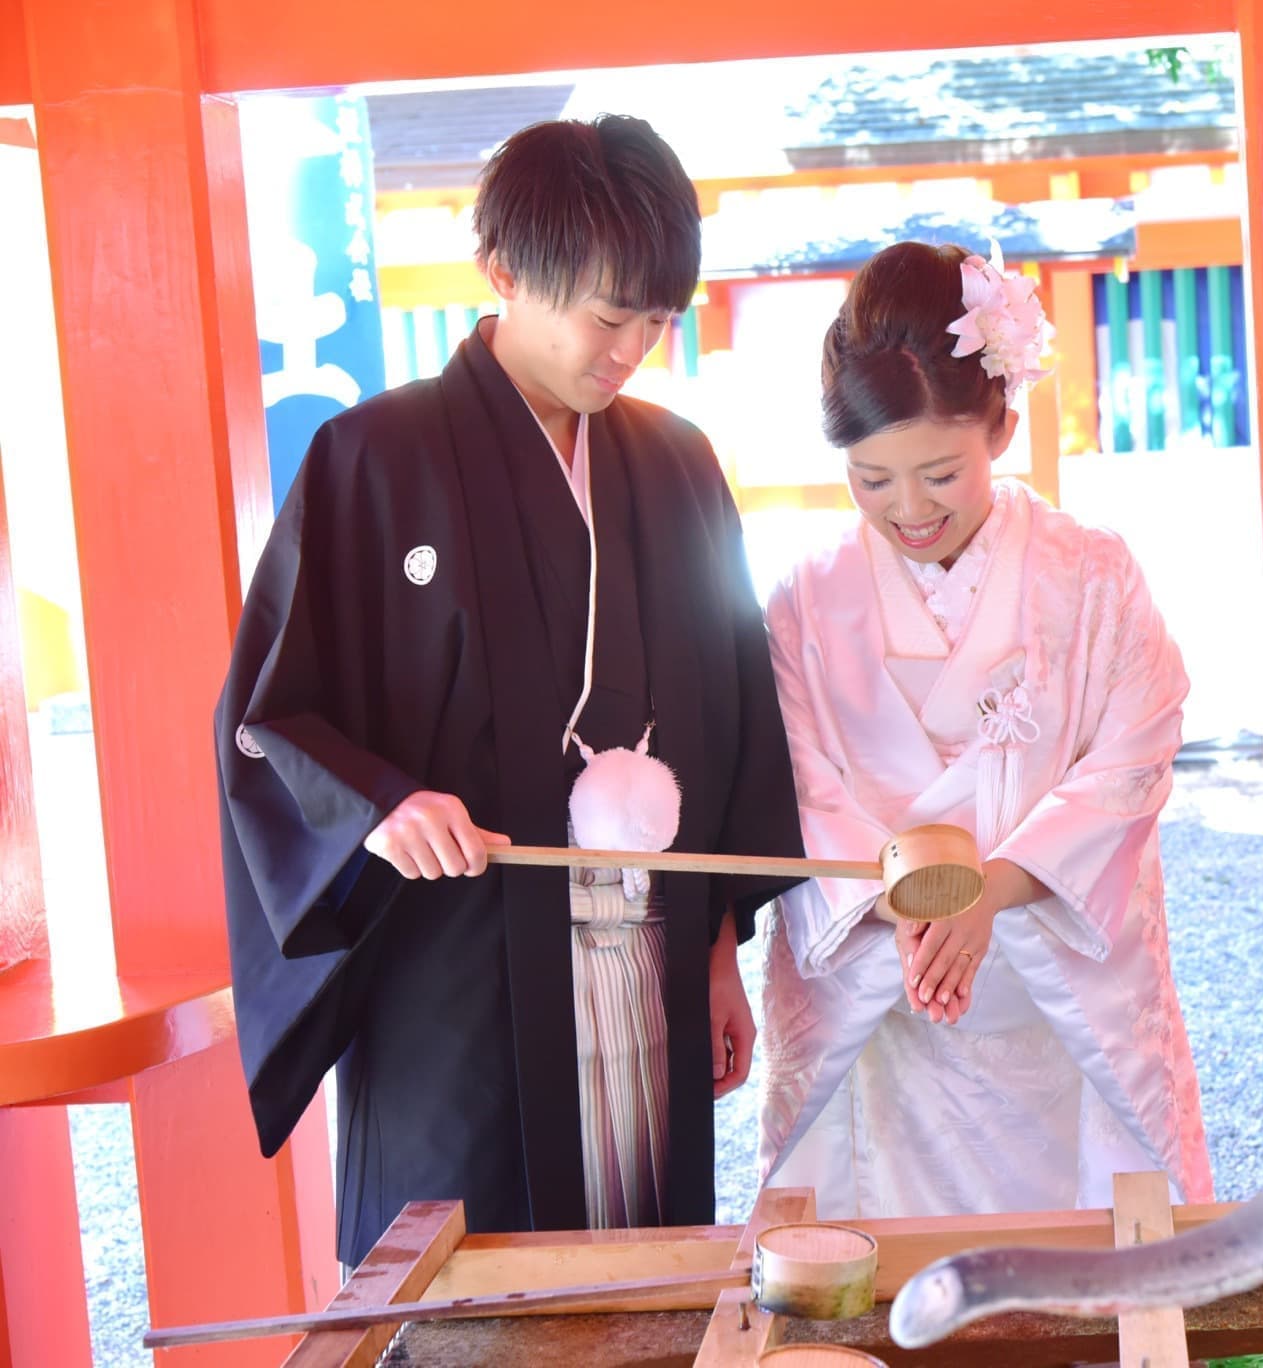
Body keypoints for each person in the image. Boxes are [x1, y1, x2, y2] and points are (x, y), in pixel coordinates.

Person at [216, 114, 803, 1266]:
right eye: (605, 314)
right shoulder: (372, 460)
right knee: (460, 1280)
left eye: (655, 317)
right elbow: (271, 717)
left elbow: (729, 715)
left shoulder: (678, 463)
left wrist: (717, 948)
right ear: (502, 273)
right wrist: (383, 806)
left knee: (639, 1263)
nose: (632, 346)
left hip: (645, 949)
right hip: (458, 962)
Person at [755, 241, 1213, 1218]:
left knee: (1082, 1267)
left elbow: (1137, 746)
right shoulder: (805, 599)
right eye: (871, 481)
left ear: (999, 426)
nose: (908, 509)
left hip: (1053, 1007)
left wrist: (990, 891)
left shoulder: (1089, 574)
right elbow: (795, 784)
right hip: (891, 1002)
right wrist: (915, 912)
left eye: (938, 474)